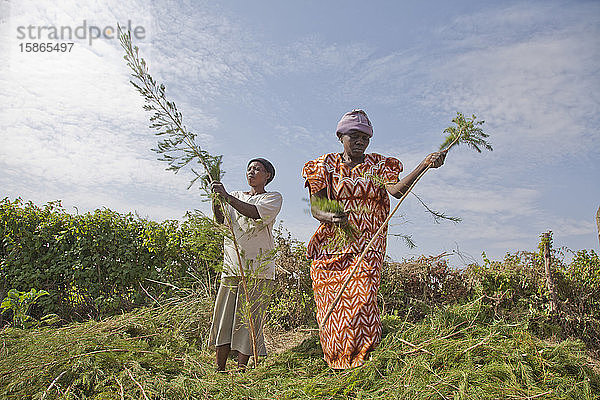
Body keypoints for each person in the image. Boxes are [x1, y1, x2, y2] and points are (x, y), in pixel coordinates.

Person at [302, 109, 445, 369]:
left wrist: (424, 165)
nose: (360, 142)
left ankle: (365, 362)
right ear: (340, 136)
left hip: (368, 245)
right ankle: (338, 363)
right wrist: (332, 216)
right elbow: (316, 207)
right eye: (354, 136)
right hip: (332, 247)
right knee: (332, 309)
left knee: (363, 300)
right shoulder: (323, 165)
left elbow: (397, 191)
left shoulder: (378, 165)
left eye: (365, 138)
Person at [209, 158, 283, 371]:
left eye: (257, 169)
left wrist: (227, 197)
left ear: (267, 175)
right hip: (232, 266)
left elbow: (254, 213)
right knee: (225, 317)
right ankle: (219, 368)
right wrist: (216, 199)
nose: (251, 172)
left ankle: (242, 369)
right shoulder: (237, 196)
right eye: (249, 169)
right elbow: (220, 220)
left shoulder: (272, 198)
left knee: (248, 320)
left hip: (259, 270)